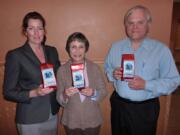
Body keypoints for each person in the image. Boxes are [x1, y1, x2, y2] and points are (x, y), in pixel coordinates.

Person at [104, 5, 180, 135]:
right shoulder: (116, 47)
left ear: (148, 25)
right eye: (130, 23)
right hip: (119, 106)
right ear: (125, 25)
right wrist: (113, 73)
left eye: (140, 22)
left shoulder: (161, 50)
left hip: (145, 109)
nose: (134, 27)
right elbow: (107, 68)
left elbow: (173, 81)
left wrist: (146, 84)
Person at [3, 11, 61, 135]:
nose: (36, 33)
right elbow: (8, 93)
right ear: (25, 31)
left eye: (39, 28)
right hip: (30, 117)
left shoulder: (52, 51)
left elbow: (59, 77)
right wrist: (34, 92)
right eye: (31, 28)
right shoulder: (15, 55)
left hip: (52, 113)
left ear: (44, 31)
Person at [56, 32, 108, 135]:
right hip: (71, 119)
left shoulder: (95, 68)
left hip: (92, 119)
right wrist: (65, 94)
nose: (77, 51)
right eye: (73, 47)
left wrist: (93, 93)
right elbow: (59, 98)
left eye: (81, 47)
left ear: (86, 49)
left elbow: (104, 91)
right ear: (68, 49)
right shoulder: (62, 70)